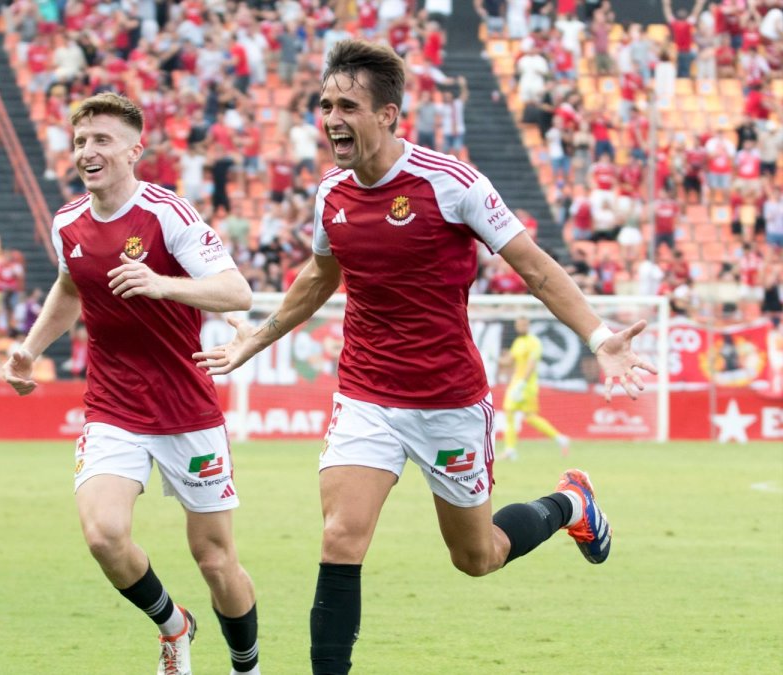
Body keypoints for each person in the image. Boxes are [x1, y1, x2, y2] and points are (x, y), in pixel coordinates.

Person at [193, 41, 656, 675]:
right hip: (365, 397)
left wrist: (601, 338)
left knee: (478, 556)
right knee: (339, 537)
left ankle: (569, 504)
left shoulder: (453, 184)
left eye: (347, 105)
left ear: (387, 114)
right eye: (325, 104)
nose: (331, 118)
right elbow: (318, 277)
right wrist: (254, 338)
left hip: (448, 402)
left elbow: (536, 270)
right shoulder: (331, 191)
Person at [3, 93, 260, 675]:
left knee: (216, 561)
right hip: (113, 407)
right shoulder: (67, 221)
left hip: (187, 411)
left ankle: (246, 665)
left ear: (133, 150)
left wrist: (163, 284)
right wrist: (30, 350)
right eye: (80, 142)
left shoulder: (168, 214)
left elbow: (236, 292)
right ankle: (175, 626)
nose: (87, 152)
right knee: (104, 535)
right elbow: (72, 288)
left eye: (101, 141)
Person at [498, 316, 571, 460]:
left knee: (523, 415)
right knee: (515, 414)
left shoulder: (534, 342)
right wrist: (497, 358)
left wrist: (522, 384)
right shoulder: (518, 342)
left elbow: (531, 364)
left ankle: (511, 449)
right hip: (516, 383)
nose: (522, 327)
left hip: (526, 386)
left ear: (528, 325)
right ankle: (559, 439)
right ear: (516, 326)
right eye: (519, 324)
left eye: (524, 324)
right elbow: (509, 361)